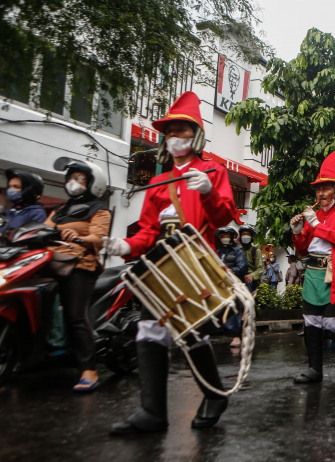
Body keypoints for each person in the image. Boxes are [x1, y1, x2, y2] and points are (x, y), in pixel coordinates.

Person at [103, 91, 238, 434]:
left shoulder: (213, 170)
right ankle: (152, 412)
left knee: (191, 332)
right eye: (170, 131)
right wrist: (125, 245)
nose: (175, 136)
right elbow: (148, 230)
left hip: (193, 262)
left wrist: (208, 190)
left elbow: (223, 218)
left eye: (182, 130)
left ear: (196, 136)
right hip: (160, 265)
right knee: (150, 330)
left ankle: (214, 394)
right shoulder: (159, 180)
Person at [290, 151, 335, 383]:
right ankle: (315, 369)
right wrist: (297, 232)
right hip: (313, 273)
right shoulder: (313, 215)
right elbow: (302, 249)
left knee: (333, 322)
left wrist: (315, 223)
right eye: (318, 189)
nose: (321, 193)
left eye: (327, 188)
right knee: (311, 320)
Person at [45, 159, 111, 392]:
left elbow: (99, 238)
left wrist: (79, 238)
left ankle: (89, 370)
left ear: (93, 183)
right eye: (71, 178)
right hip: (52, 262)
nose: (73, 182)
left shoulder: (99, 210)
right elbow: (43, 229)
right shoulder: (60, 210)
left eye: (80, 178)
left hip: (81, 265)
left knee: (76, 316)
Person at [216, 227, 248, 348]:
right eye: (222, 236)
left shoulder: (237, 251)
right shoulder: (218, 252)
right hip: (220, 285)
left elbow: (242, 267)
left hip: (234, 284)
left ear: (232, 237)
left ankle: (236, 335)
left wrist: (231, 271)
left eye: (227, 236)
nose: (224, 238)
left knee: (235, 309)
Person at [0, 169, 47, 238]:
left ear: (29, 190)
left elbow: (32, 238)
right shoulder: (7, 213)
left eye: (16, 187)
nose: (10, 190)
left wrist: (6, 237)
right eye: (9, 186)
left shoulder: (37, 213)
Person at [238, 224, 264, 293]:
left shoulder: (256, 251)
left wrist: (252, 275)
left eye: (248, 234)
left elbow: (260, 269)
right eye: (243, 234)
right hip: (238, 279)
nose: (245, 236)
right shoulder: (238, 251)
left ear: (252, 237)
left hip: (250, 282)